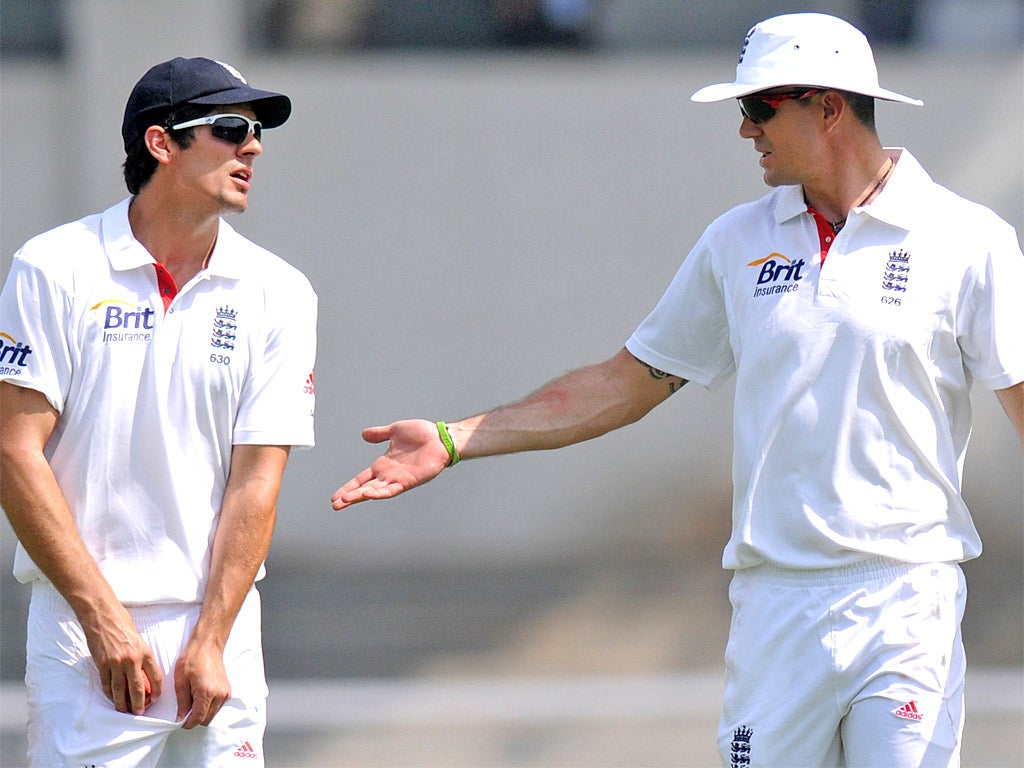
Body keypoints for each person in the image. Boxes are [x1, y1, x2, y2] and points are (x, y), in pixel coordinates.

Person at [331, 13, 1024, 767]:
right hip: (774, 610)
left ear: (826, 105)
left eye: (759, 108)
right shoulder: (735, 242)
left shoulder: (968, 239)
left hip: (906, 601)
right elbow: (622, 383)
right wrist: (456, 436)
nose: (744, 130)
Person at [0, 57, 317, 766]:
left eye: (257, 131)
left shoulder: (281, 292)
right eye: (230, 128)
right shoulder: (53, 267)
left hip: (219, 631)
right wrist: (103, 620)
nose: (253, 147)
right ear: (160, 143)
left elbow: (257, 481)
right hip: (84, 635)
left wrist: (210, 637)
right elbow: (12, 451)